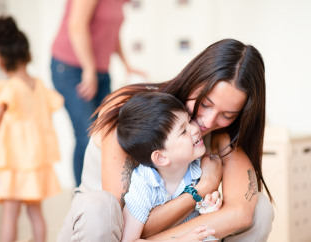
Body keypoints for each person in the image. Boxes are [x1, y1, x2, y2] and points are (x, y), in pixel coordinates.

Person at [58, 38, 274, 241]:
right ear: (193, 79)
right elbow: (123, 226)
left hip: (157, 234)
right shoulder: (132, 113)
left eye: (227, 115)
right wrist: (203, 187)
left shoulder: (222, 137)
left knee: (259, 210)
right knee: (102, 206)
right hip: (101, 230)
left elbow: (240, 214)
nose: (208, 122)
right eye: (205, 103)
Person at [0, 16, 63, 242]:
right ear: (27, 55)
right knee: (36, 213)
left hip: (13, 163)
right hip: (35, 163)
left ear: (1, 59)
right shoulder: (39, 86)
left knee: (10, 216)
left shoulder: (7, 89)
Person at [50, 0, 142, 186]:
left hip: (99, 71)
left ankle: (105, 194)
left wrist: (126, 64)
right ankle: (82, 201)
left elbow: (110, 33)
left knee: (110, 132)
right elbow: (76, 26)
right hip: (71, 68)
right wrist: (89, 69)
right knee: (87, 134)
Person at [117, 92, 222, 242]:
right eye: (183, 131)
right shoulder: (144, 184)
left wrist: (211, 207)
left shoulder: (201, 169)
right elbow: (129, 240)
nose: (195, 129)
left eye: (189, 121)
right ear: (161, 157)